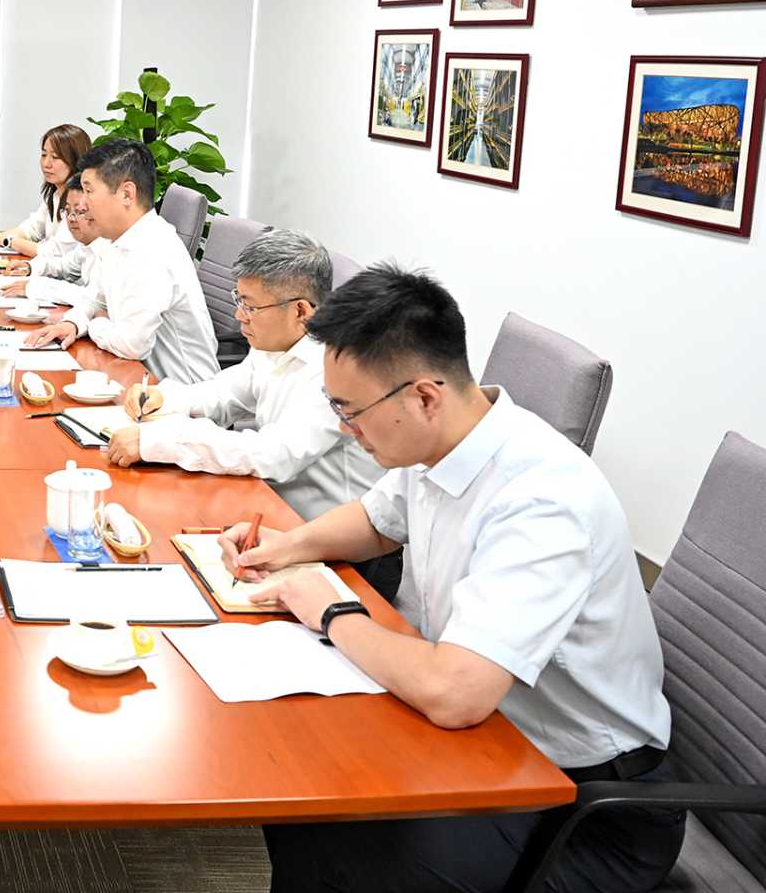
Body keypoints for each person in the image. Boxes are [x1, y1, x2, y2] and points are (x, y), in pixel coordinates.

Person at [231, 266, 682, 893]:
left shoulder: (542, 499)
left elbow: (455, 693)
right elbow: (378, 520)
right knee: (304, 794)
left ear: (423, 397)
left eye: (350, 411)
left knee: (349, 853)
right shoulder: (444, 439)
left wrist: (331, 612)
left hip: (584, 799)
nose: (344, 429)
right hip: (490, 741)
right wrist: (287, 547)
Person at [104, 228, 377, 526]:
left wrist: (161, 441)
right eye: (239, 300)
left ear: (300, 311)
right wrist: (166, 398)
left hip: (318, 531)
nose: (239, 315)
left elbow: (273, 455)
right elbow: (225, 394)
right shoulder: (275, 342)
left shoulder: (335, 368)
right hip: (263, 499)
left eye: (250, 306)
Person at [23, 138, 218, 385]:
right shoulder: (116, 239)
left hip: (181, 394)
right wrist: (73, 323)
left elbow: (131, 345)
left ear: (127, 194)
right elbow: (95, 299)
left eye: (89, 191)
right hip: (136, 379)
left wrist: (96, 323)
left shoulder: (152, 249)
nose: (84, 203)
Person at [0, 123, 91, 256]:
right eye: (44, 155)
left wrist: (10, 241)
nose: (46, 164)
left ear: (75, 160)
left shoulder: (82, 203)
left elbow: (54, 252)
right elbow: (31, 229)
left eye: (55, 157)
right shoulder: (55, 195)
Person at [0, 188, 102, 314]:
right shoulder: (87, 244)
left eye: (80, 211)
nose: (71, 219)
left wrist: (38, 287)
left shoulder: (111, 246)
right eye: (67, 211)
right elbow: (66, 266)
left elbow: (94, 300)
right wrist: (30, 267)